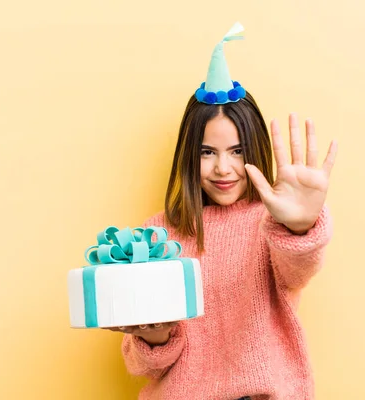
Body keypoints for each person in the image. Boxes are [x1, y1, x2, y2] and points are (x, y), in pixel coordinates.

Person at [105, 23, 338, 399]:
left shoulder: (269, 224)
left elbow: (298, 268)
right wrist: (153, 333)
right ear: (187, 155)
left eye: (237, 150)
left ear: (255, 148)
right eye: (207, 152)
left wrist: (299, 228)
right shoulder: (155, 236)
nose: (223, 169)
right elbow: (142, 366)